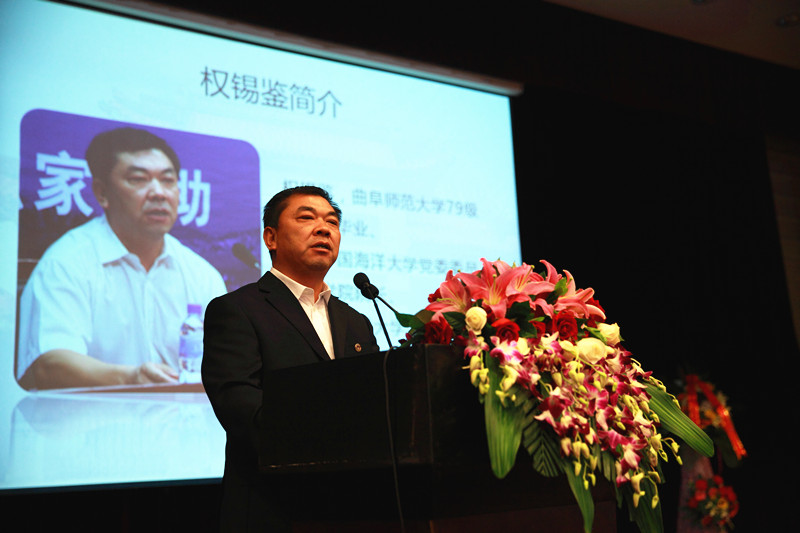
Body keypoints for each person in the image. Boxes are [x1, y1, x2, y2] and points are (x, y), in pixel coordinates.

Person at [202, 186, 379, 532]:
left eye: (332, 222)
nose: (324, 229)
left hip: (354, 507)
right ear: (271, 237)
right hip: (274, 508)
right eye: (307, 218)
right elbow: (240, 407)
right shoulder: (237, 310)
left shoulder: (356, 320)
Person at [16, 128, 226, 390]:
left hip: (184, 416)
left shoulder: (201, 275)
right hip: (88, 417)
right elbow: (49, 364)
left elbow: (229, 365)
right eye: (139, 179)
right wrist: (131, 379)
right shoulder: (66, 263)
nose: (159, 193)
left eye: (168, 180)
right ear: (102, 193)